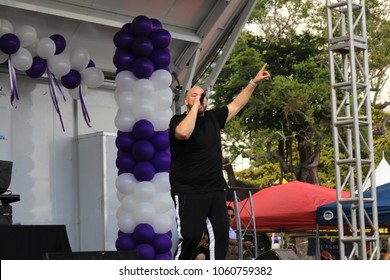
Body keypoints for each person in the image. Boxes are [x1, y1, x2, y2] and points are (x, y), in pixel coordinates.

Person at [169, 63, 270, 260]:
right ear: (186, 101)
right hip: (188, 189)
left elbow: (237, 104)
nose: (200, 98)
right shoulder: (177, 121)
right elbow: (183, 133)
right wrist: (195, 107)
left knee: (221, 235)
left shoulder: (214, 118)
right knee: (191, 236)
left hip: (215, 188)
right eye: (194, 95)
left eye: (203, 96)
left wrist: (253, 83)